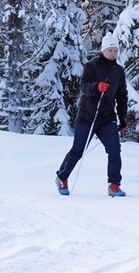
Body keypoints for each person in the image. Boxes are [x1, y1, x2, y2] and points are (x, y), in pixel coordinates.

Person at [55, 33, 129, 197]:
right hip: (88, 116)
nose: (113, 54)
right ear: (103, 50)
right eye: (110, 50)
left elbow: (122, 94)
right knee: (78, 151)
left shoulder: (119, 71)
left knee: (115, 150)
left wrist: (123, 116)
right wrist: (97, 87)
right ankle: (62, 176)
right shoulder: (92, 66)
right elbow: (84, 86)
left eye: (116, 50)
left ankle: (114, 185)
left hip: (107, 118)